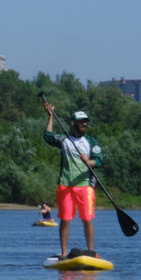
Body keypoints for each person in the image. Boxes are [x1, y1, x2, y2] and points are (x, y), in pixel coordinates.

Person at [42, 103, 103, 258]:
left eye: (86, 122)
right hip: (65, 186)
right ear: (73, 123)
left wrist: (88, 162)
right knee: (65, 220)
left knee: (87, 219)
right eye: (81, 121)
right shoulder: (64, 140)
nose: (84, 124)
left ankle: (90, 251)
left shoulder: (91, 141)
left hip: (85, 187)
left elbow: (99, 161)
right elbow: (47, 137)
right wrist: (50, 116)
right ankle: (63, 253)